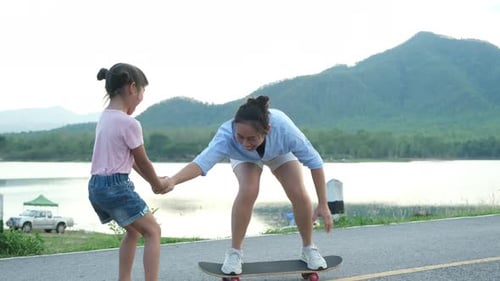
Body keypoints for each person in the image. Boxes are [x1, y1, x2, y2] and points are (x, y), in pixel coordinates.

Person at [163, 95, 332, 275]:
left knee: (297, 191)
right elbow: (201, 163)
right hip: (243, 158)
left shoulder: (285, 129)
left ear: (267, 129)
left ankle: (308, 249)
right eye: (240, 136)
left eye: (251, 138)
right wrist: (173, 180)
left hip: (279, 153)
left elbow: (315, 162)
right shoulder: (227, 136)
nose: (245, 143)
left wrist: (323, 204)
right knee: (249, 190)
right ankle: (234, 253)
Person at [88, 63, 170, 281]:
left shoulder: (105, 117)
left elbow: (130, 160)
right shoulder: (129, 123)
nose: (141, 98)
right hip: (115, 187)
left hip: (96, 187)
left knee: (133, 231)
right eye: (142, 91)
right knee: (153, 231)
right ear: (132, 87)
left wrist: (154, 181)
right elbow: (142, 161)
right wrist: (158, 184)